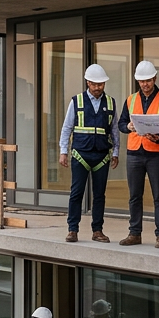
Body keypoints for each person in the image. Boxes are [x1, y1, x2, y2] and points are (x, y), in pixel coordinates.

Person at [117, 61, 159, 248]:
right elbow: (121, 123)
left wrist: (157, 138)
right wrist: (128, 126)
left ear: (155, 79)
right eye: (142, 81)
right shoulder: (130, 99)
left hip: (156, 154)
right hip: (134, 152)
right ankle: (134, 233)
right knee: (135, 195)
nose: (145, 84)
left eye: (148, 81)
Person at [59, 64, 120, 243]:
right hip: (81, 154)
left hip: (102, 156)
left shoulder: (110, 102)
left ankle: (97, 230)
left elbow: (114, 129)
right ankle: (72, 230)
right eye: (94, 84)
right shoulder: (76, 101)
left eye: (100, 84)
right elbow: (67, 127)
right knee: (76, 193)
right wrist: (63, 151)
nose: (97, 88)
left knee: (99, 195)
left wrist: (115, 151)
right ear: (87, 82)